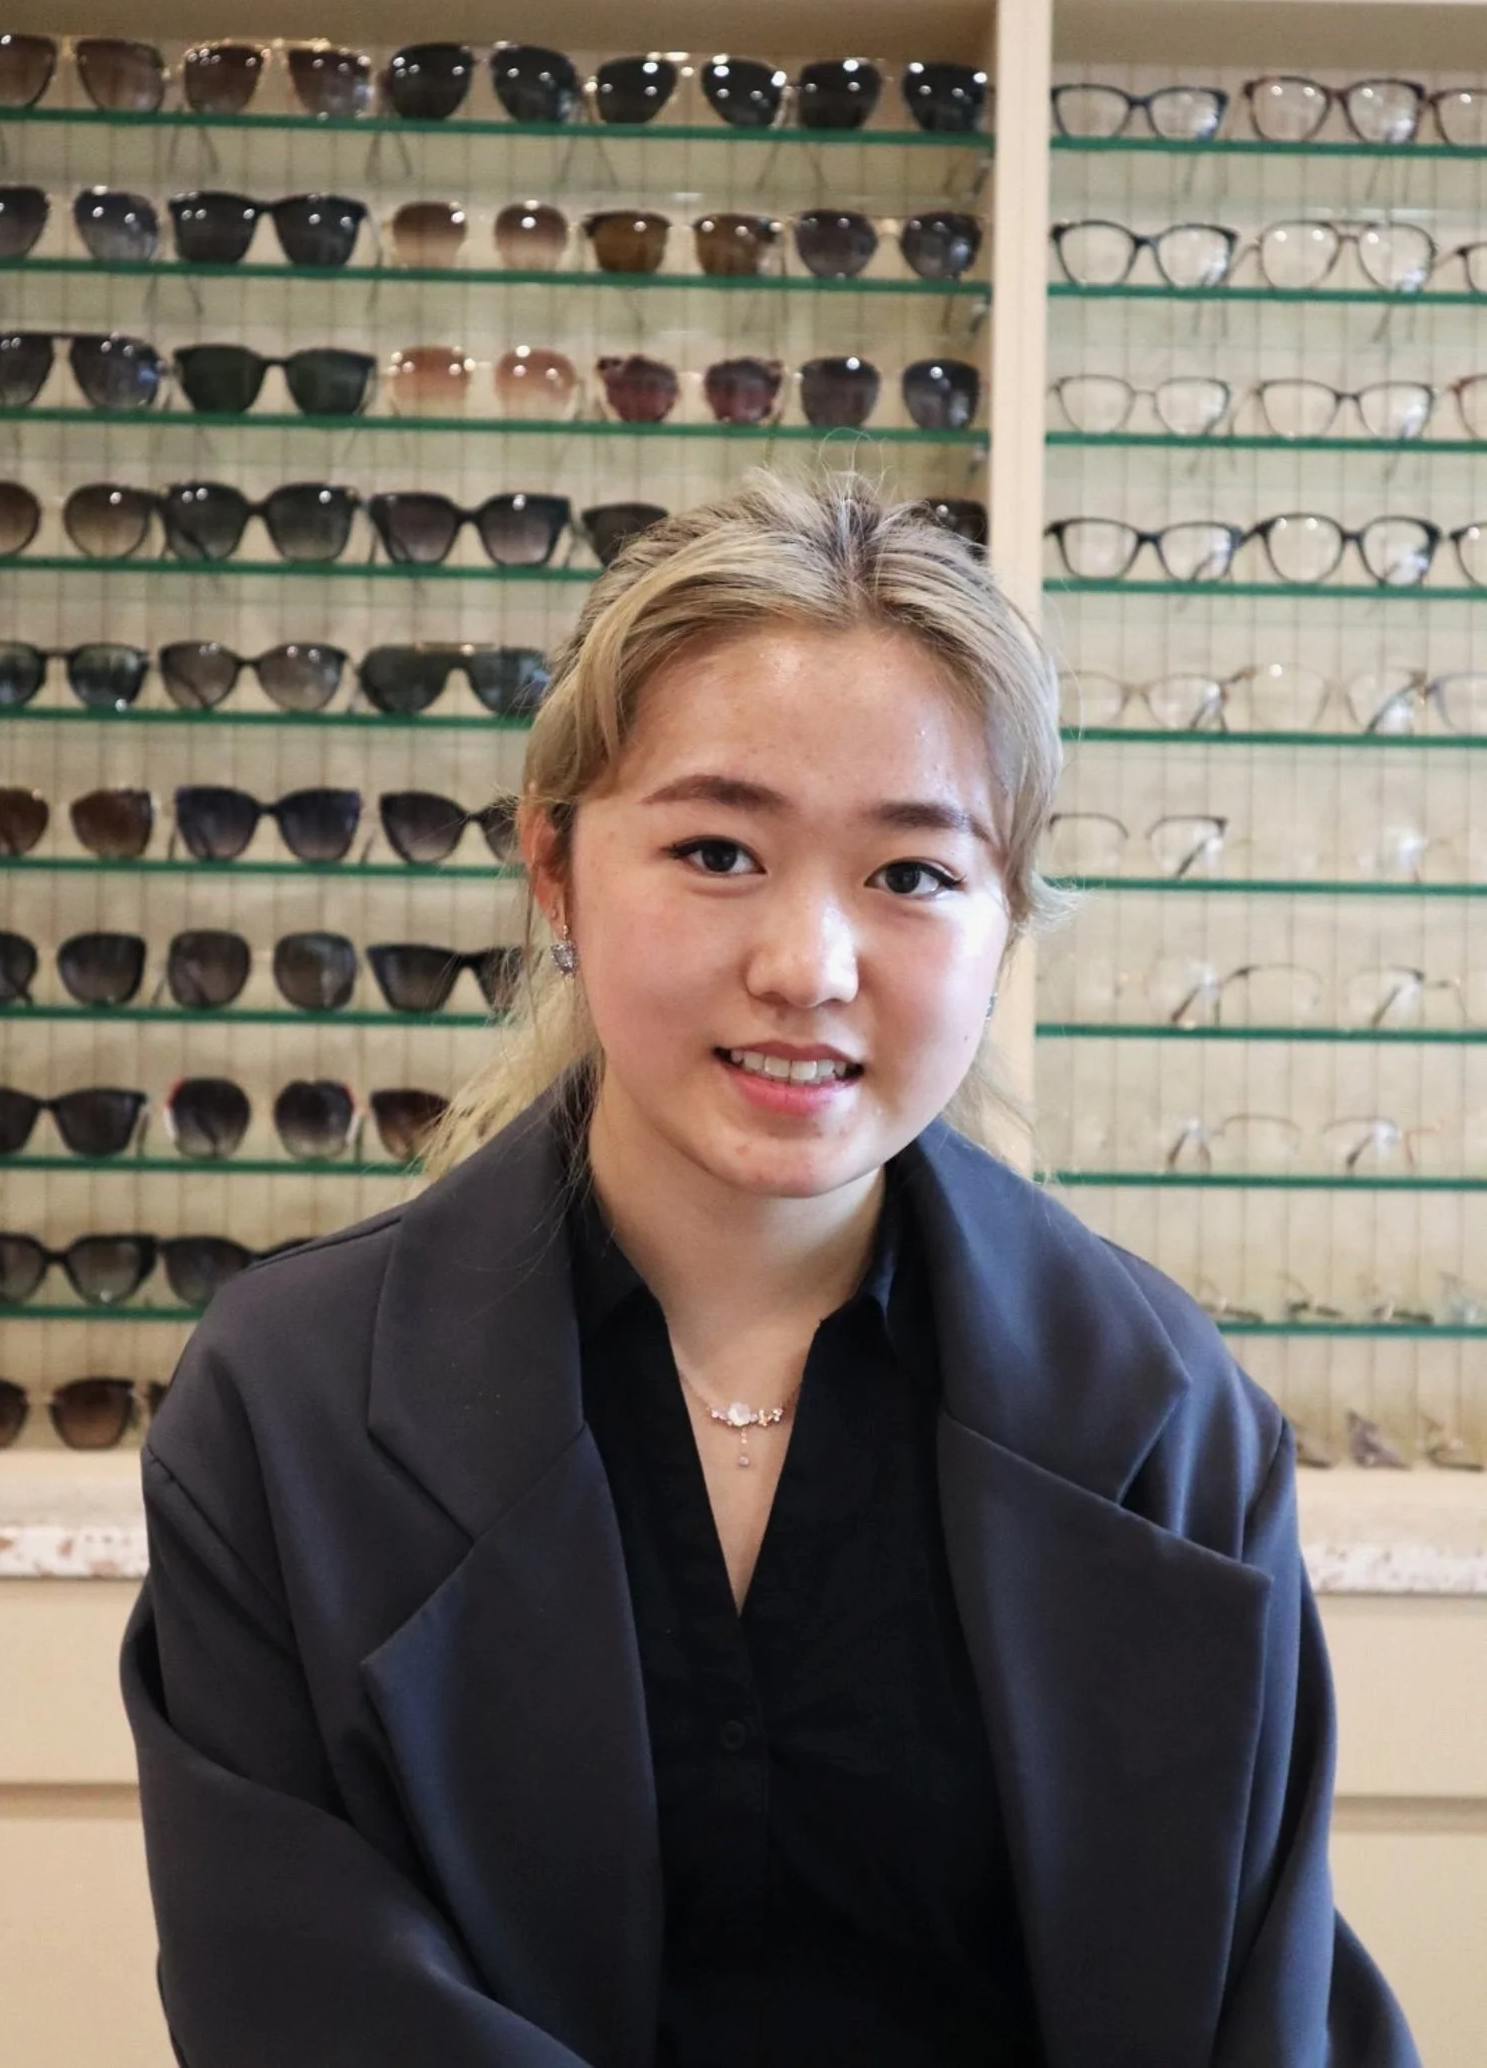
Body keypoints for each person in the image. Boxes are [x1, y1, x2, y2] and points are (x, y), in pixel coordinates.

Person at [121, 471, 1421, 2068]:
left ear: (1006, 919)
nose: (808, 965)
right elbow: (298, 2003)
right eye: (719, 849)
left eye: (912, 874)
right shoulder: (286, 1409)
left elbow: (1266, 2010)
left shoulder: (1171, 1422)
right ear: (555, 869)